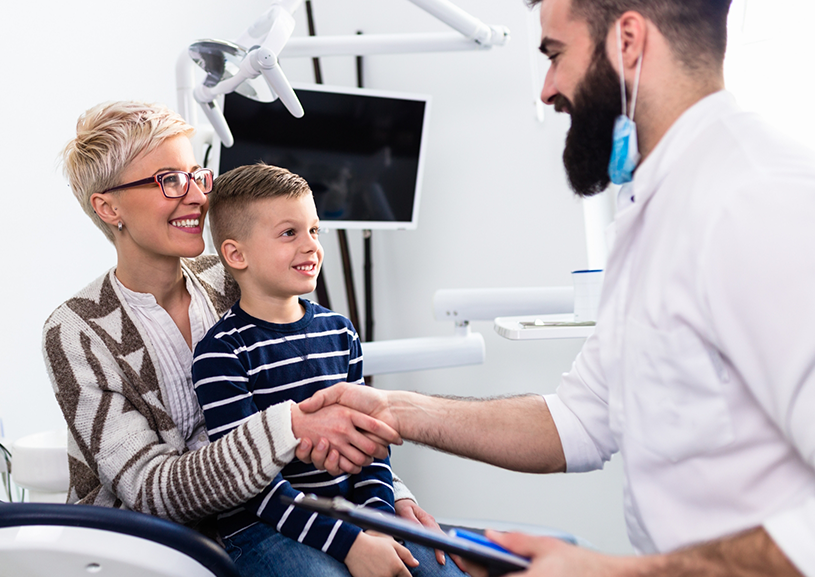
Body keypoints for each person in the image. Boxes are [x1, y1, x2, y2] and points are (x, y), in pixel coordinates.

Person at [298, 0, 815, 575]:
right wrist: (396, 409)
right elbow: (581, 418)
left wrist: (609, 571)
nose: (547, 90)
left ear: (628, 41)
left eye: (555, 55)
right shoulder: (651, 212)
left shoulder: (762, 201)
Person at [42, 101, 434, 546]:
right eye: (169, 180)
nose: (196, 197)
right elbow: (150, 489)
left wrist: (393, 498)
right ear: (109, 208)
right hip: (147, 547)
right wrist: (292, 427)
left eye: (196, 175)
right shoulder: (76, 331)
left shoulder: (233, 275)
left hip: (279, 517)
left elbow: (322, 394)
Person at [191, 162, 464, 577]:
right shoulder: (221, 352)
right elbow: (251, 485)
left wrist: (377, 525)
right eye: (289, 233)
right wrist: (349, 544)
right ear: (235, 254)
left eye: (314, 230)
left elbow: (373, 448)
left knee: (442, 570)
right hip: (264, 529)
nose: (311, 246)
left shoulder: (340, 332)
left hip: (355, 515)